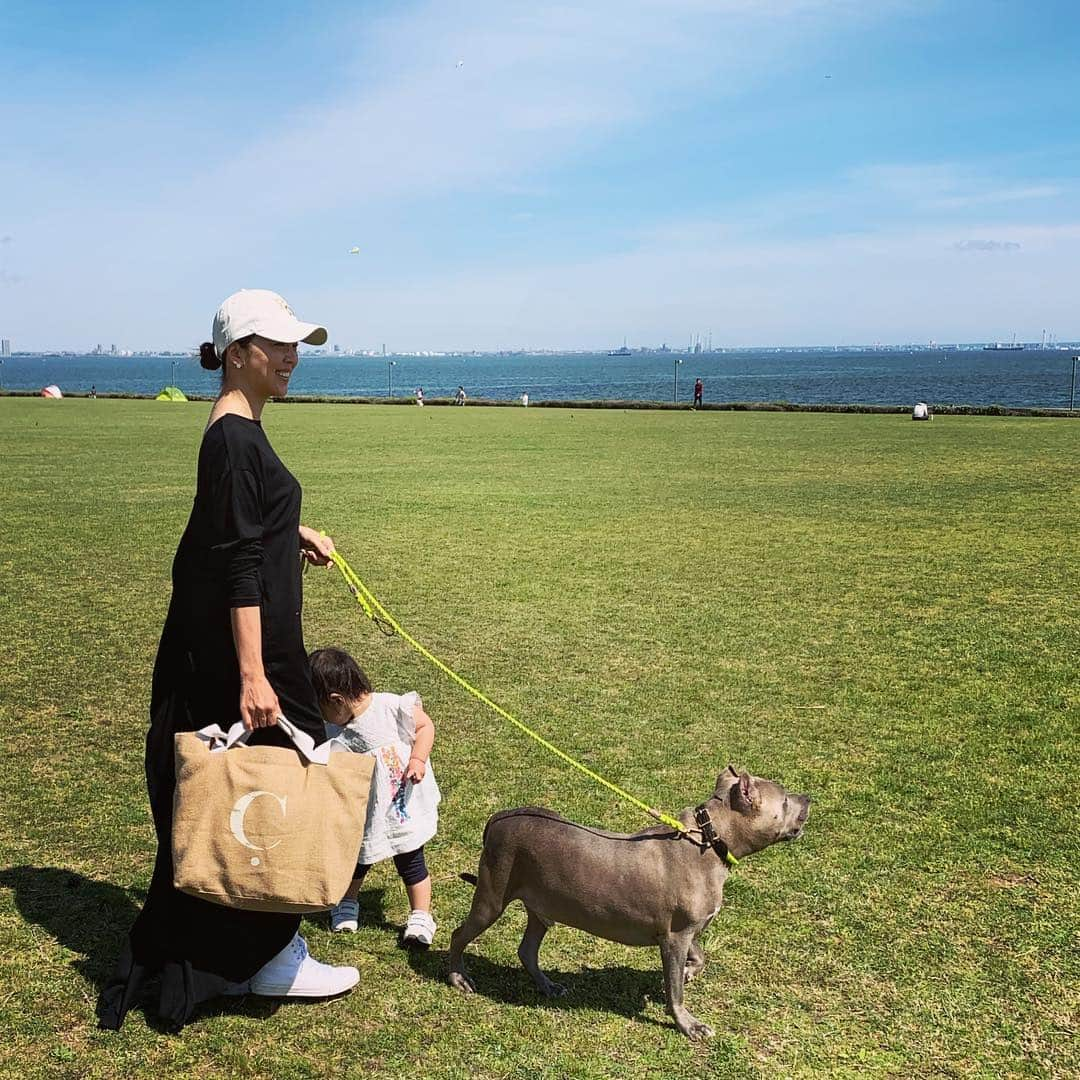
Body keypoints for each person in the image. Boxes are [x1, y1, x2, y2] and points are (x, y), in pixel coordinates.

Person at [98, 289, 358, 1032]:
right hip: (250, 649)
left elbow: (233, 527)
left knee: (237, 801)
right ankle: (262, 955)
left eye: (295, 343)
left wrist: (290, 528)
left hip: (231, 642)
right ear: (236, 351)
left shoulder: (233, 429)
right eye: (274, 344)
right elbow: (239, 564)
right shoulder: (236, 437)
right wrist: (254, 676)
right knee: (276, 786)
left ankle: (247, 949)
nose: (290, 356)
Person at [310, 647, 440, 947]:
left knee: (410, 857)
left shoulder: (391, 707)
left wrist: (418, 759)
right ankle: (347, 900)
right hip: (362, 809)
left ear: (336, 700)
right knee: (356, 858)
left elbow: (425, 726)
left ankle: (421, 914)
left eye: (321, 708)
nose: (322, 718)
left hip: (397, 804)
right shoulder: (334, 727)